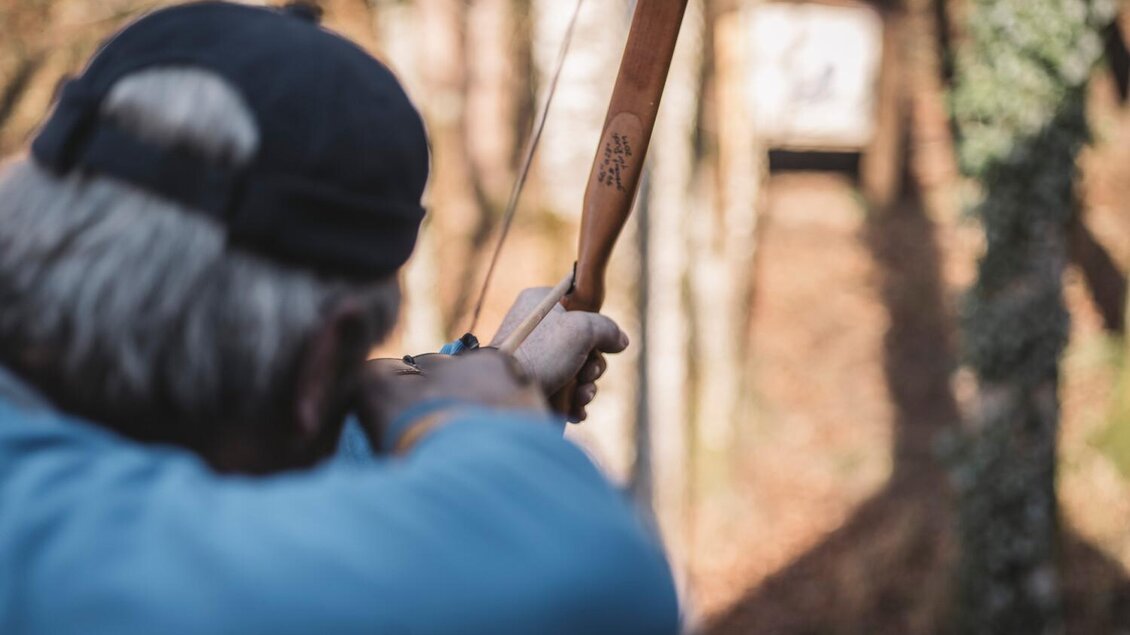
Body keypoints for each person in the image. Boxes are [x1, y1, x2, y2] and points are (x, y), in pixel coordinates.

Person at [0, 3, 680, 634]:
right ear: (322, 362)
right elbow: (603, 576)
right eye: (348, 375)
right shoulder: (92, 563)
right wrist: (472, 424)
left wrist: (496, 367)